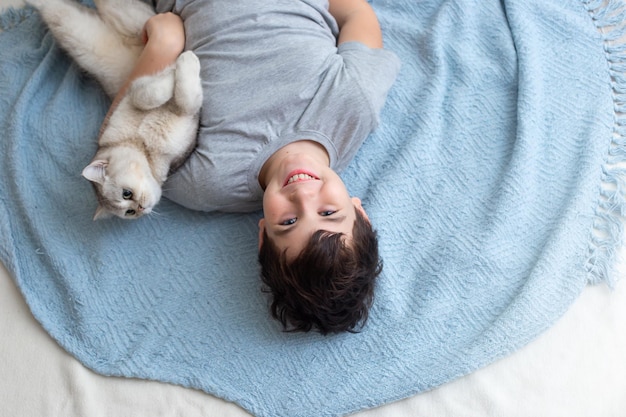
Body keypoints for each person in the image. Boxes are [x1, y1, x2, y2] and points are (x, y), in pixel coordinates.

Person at [105, 0, 400, 334]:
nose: (303, 195)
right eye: (329, 212)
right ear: (359, 212)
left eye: (288, 221)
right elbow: (357, 13)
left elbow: (121, 142)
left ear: (263, 237)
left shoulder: (208, 181)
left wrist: (163, 47)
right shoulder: (353, 104)